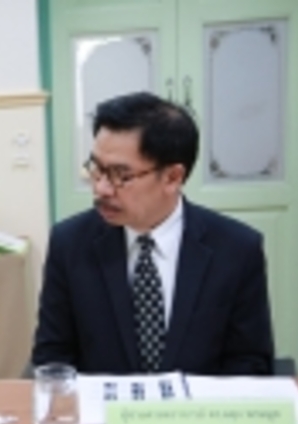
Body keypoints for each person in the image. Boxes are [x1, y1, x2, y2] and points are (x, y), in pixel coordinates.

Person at [31, 91, 274, 376]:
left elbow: (250, 364)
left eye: (121, 175)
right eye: (97, 169)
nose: (101, 188)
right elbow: (53, 357)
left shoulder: (237, 249)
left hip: (199, 404)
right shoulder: (70, 243)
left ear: (172, 178)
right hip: (102, 404)